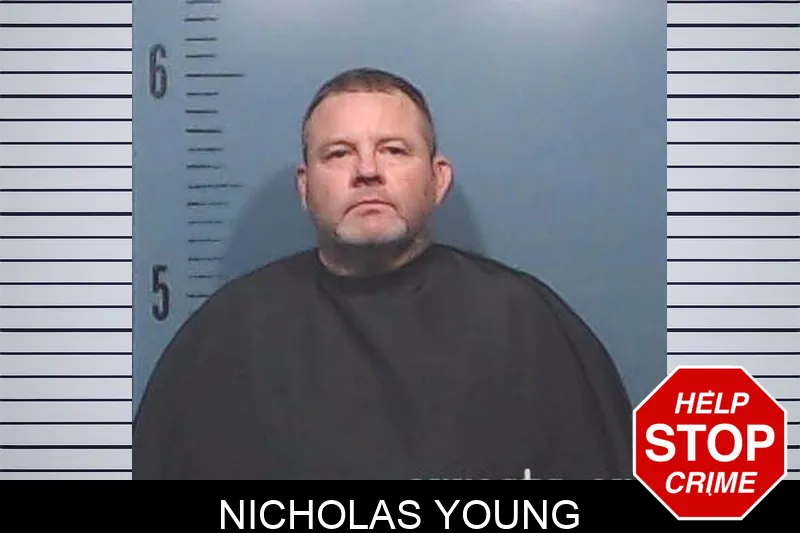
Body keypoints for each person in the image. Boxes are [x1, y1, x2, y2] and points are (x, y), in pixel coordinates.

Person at [132, 67, 633, 480]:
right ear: (305, 188)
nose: (367, 170)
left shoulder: (525, 323)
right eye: (339, 153)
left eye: (394, 150)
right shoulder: (228, 334)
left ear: (437, 179)